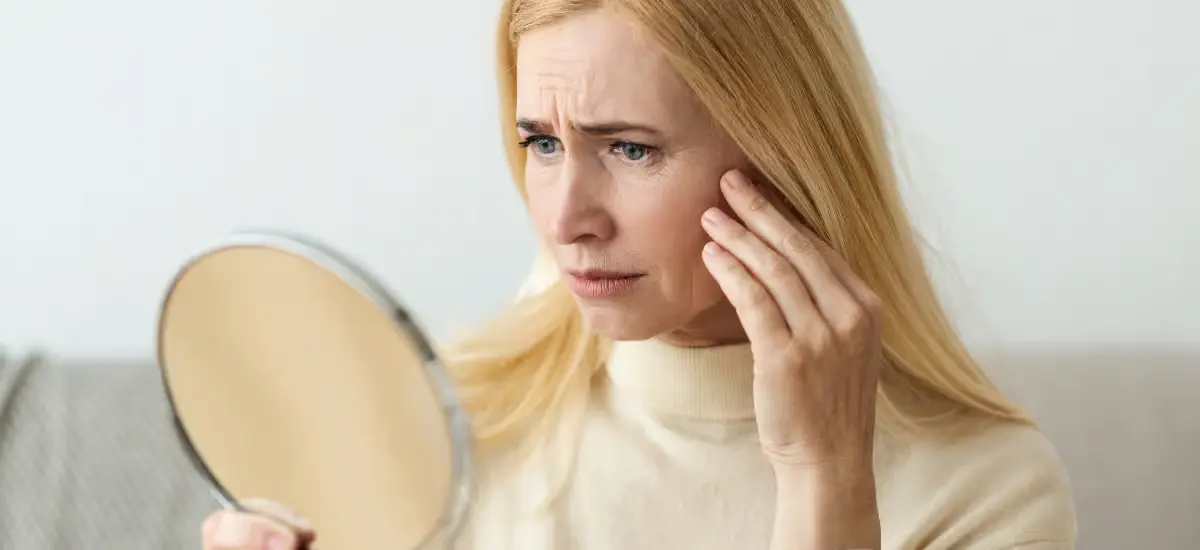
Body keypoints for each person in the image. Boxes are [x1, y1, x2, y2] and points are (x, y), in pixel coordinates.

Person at [201, 0, 1077, 548]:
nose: (564, 216)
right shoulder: (454, 427)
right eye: (541, 142)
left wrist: (824, 485)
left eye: (629, 147)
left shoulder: (986, 495)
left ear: (789, 159)